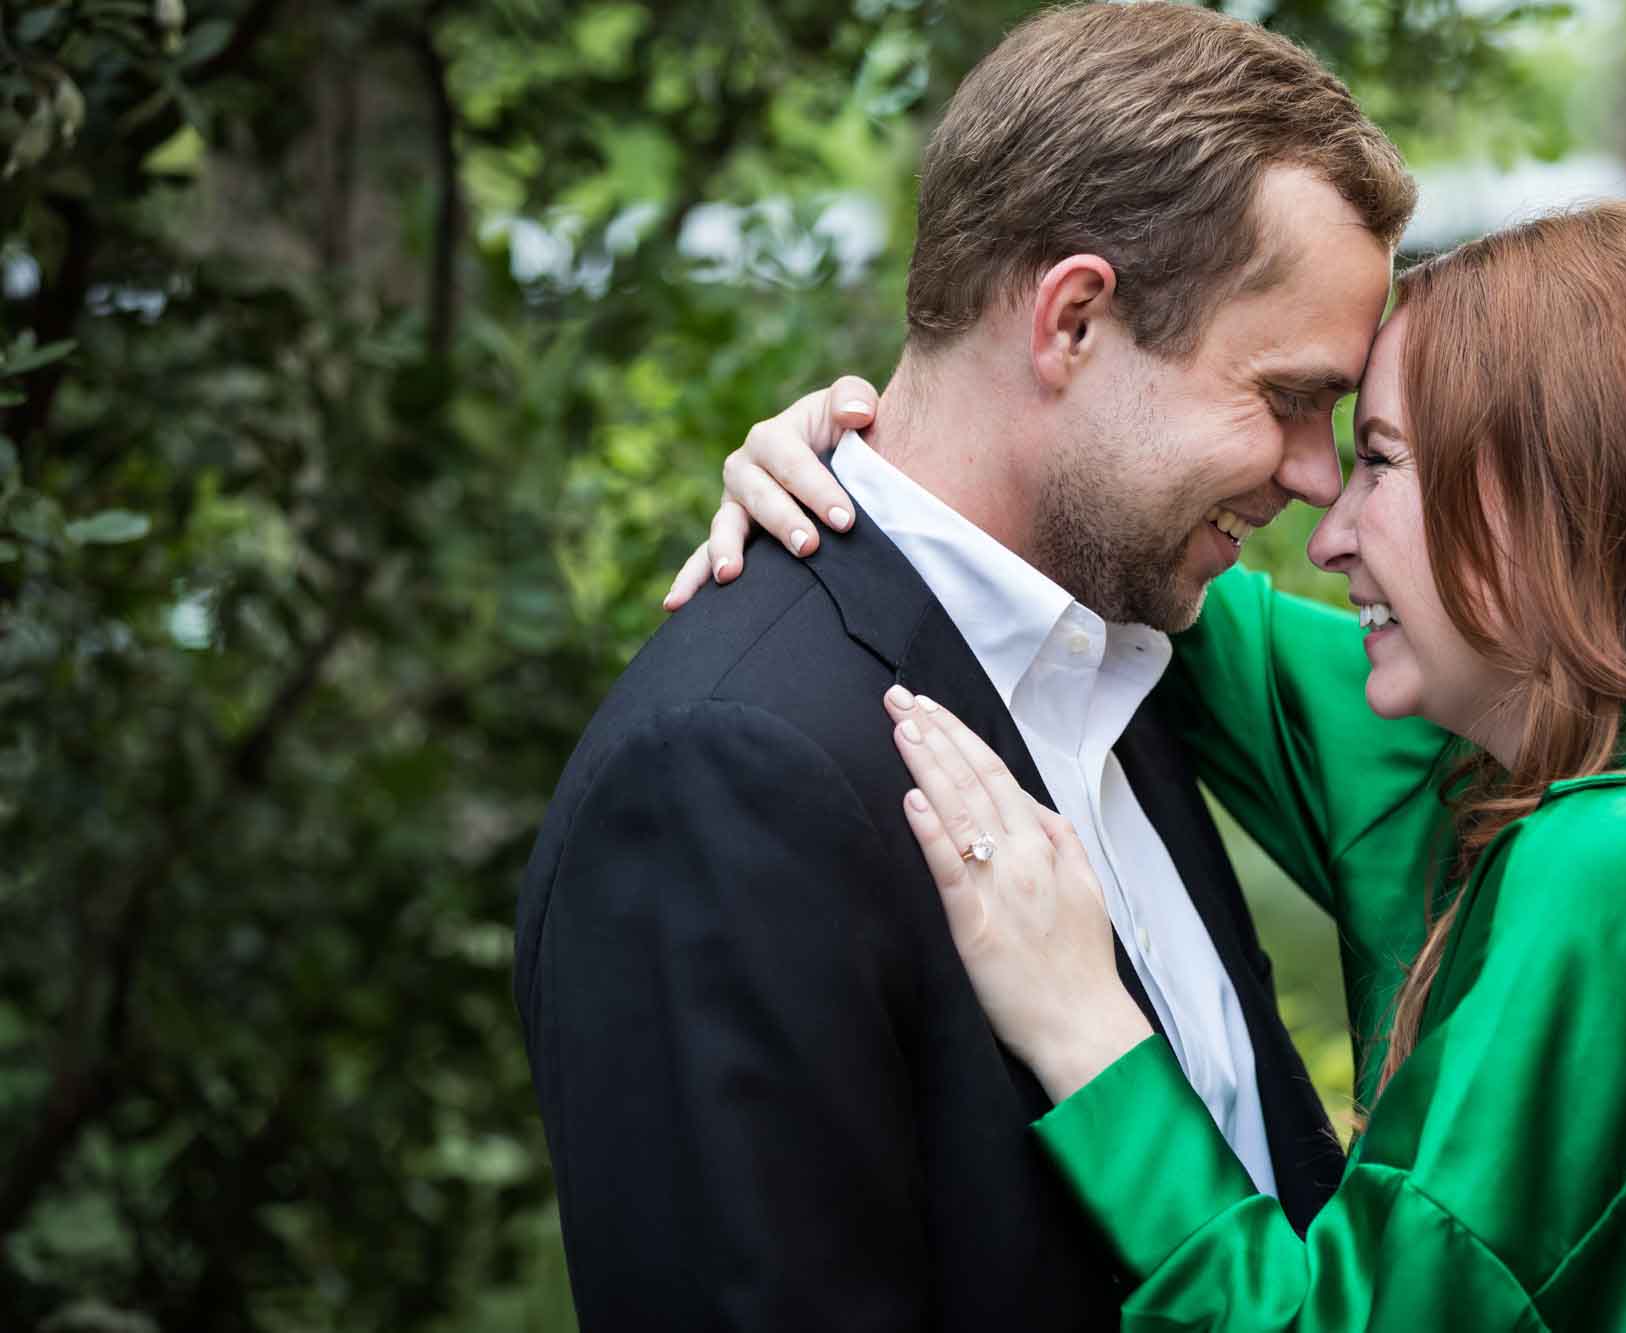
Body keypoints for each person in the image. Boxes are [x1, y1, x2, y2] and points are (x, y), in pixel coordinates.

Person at [674, 201, 1626, 1329]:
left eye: (1379, 460)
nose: (1327, 530)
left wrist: (1088, 1027)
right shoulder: (1578, 759)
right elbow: (1097, 533)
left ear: (1559, 502)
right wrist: (874, 461)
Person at [516, 5, 1455, 1329]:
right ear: (1072, 321)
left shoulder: (1132, 647)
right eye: (1288, 397)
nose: (1316, 477)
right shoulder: (727, 774)